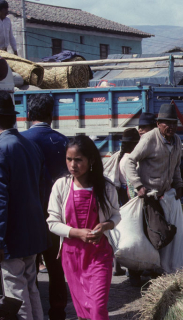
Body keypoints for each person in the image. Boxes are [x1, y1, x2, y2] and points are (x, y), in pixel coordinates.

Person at [47, 136, 121, 320]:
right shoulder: (61, 186)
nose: (72, 165)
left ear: (91, 160)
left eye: (78, 160)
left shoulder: (106, 188)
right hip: (71, 257)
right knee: (82, 310)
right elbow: (52, 222)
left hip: (99, 255)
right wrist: (76, 233)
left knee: (97, 308)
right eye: (69, 159)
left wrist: (105, 226)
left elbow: (116, 215)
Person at [125, 103, 183, 274]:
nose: (171, 127)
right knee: (144, 235)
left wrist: (179, 185)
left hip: (164, 196)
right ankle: (135, 272)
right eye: (166, 123)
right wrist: (138, 185)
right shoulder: (150, 139)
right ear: (159, 124)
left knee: (161, 234)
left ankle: (155, 268)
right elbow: (130, 161)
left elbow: (176, 166)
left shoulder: (177, 141)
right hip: (147, 196)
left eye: (174, 123)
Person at [20, 93, 68, 320]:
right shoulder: (63, 141)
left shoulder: (21, 141)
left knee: (29, 266)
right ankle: (58, 310)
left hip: (30, 214)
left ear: (28, 115)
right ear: (52, 115)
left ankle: (34, 309)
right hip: (58, 214)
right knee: (56, 265)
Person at [0, 92, 47, 320]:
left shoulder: (1, 148)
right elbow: (40, 188)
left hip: (11, 236)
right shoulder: (29, 146)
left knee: (15, 294)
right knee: (31, 288)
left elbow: (0, 201)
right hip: (33, 232)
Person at [118, 128, 140, 205]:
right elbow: (131, 184)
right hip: (129, 195)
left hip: (123, 194)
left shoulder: (122, 158)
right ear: (133, 145)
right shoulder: (130, 160)